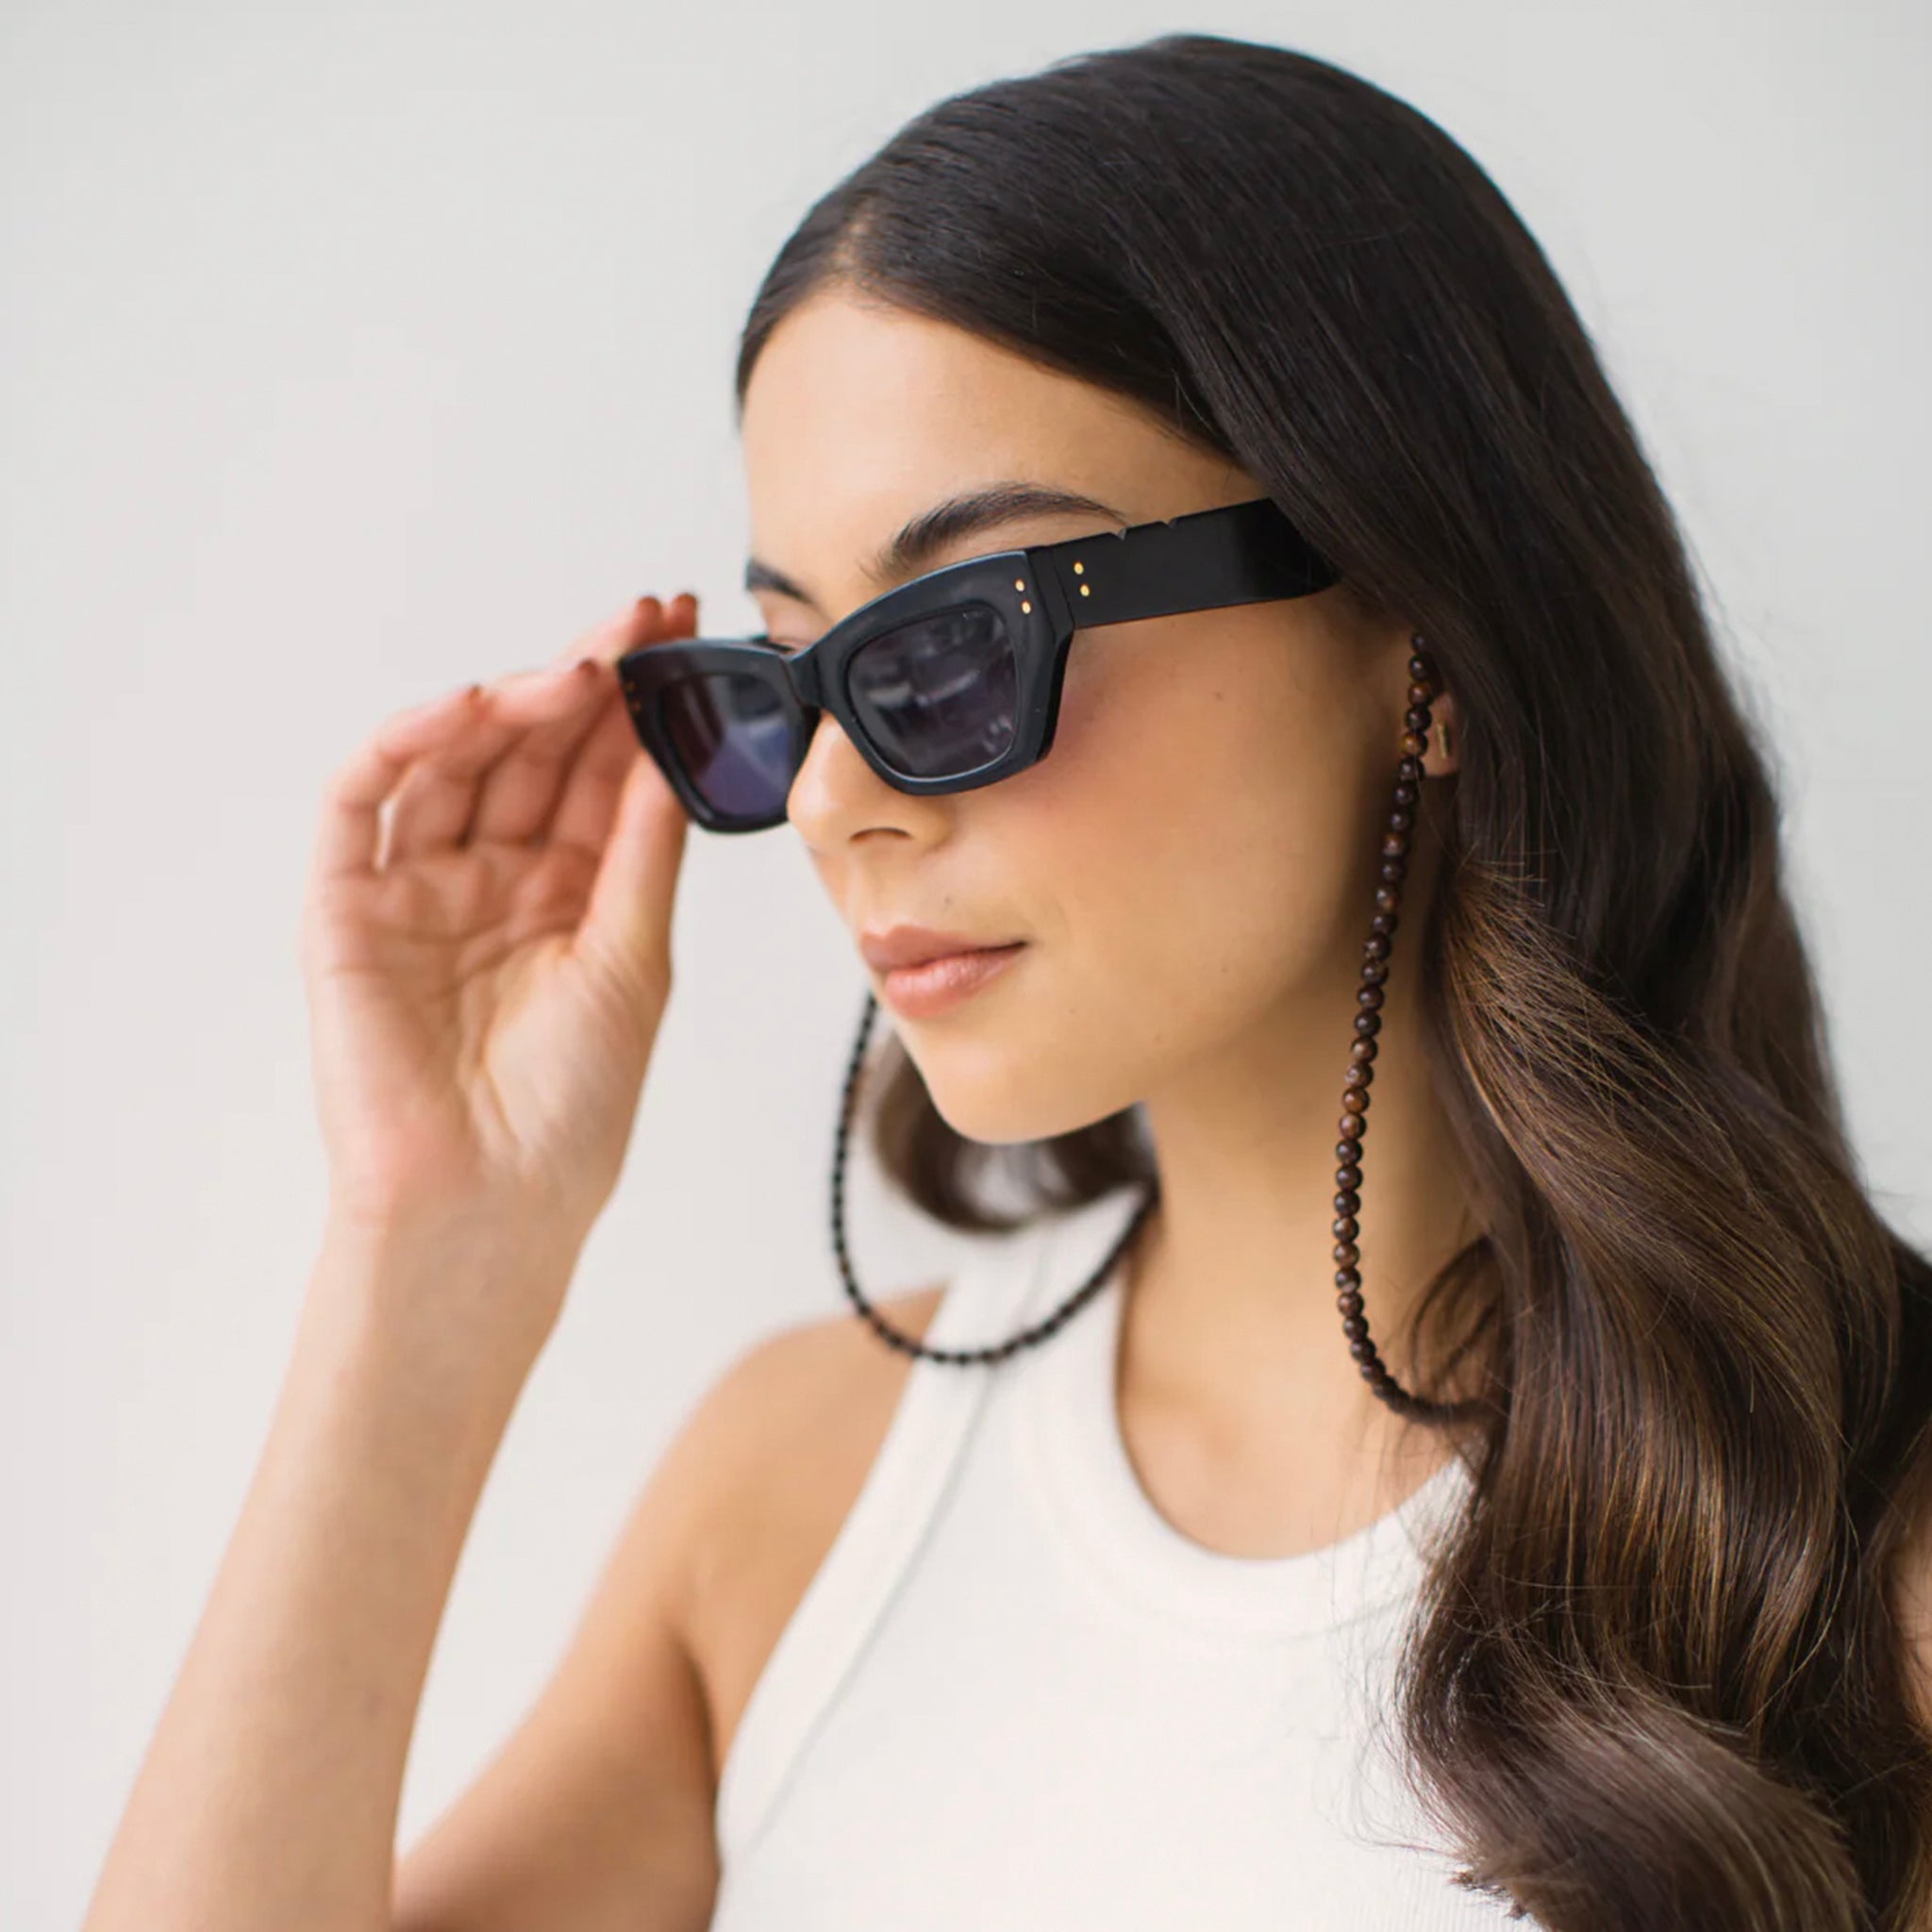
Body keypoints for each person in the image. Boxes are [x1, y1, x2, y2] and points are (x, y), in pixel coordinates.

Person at [81, 32, 1932, 1932]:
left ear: (1421, 633)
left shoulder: (1857, 1559)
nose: (827, 802)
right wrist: (430, 1244)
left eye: (958, 640)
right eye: (785, 679)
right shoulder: (800, 1494)